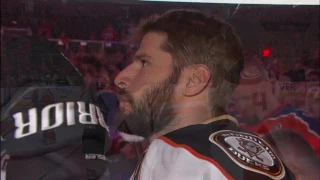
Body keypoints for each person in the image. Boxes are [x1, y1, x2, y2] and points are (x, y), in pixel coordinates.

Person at [114, 9, 296, 179]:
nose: (120, 78)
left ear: (194, 80)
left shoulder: (184, 155)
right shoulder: (254, 149)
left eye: (145, 63)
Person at [231, 60, 320, 156]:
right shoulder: (233, 125)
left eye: (247, 98)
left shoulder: (301, 125)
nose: (242, 106)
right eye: (236, 100)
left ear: (268, 87)